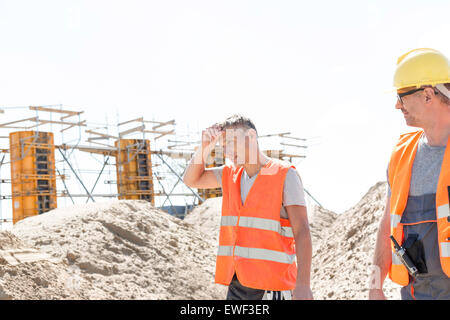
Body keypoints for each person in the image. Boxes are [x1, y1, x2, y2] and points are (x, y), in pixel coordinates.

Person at [183, 114, 313, 300]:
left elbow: (302, 230)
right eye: (222, 147)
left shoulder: (284, 174)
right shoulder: (230, 174)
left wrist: (303, 285)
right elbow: (191, 179)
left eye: (230, 143)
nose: (226, 152)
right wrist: (205, 147)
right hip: (238, 286)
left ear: (251, 136)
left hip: (273, 286)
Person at [370, 48, 450, 300]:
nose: (397, 105)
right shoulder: (401, 156)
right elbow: (387, 225)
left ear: (428, 94)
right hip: (417, 294)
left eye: (402, 96)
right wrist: (375, 285)